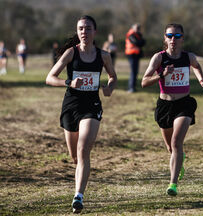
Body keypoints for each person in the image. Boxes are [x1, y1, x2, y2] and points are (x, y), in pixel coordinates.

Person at [45, 15, 117, 213]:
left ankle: (78, 196)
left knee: (84, 150)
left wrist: (109, 87)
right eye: (80, 29)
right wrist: (69, 83)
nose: (84, 32)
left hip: (91, 106)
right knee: (75, 157)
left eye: (88, 28)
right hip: (71, 106)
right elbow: (50, 78)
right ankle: (80, 175)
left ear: (95, 32)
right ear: (77, 32)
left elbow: (112, 76)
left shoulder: (104, 55)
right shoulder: (71, 53)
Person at [141, 23, 203, 196]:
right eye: (170, 36)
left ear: (182, 38)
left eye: (177, 36)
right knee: (171, 149)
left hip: (184, 104)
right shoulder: (159, 58)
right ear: (165, 38)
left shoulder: (188, 56)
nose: (173, 39)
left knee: (176, 143)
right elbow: (144, 81)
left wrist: (201, 79)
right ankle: (180, 161)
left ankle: (173, 184)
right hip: (165, 106)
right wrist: (162, 74)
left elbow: (196, 66)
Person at [125, 24, 146, 93]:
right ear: (132, 28)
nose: (138, 29)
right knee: (133, 72)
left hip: (136, 55)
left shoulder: (138, 35)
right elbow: (137, 43)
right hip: (131, 54)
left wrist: (140, 41)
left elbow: (143, 42)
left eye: (139, 28)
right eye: (136, 28)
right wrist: (140, 42)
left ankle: (133, 87)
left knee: (135, 72)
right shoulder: (131, 35)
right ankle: (131, 88)